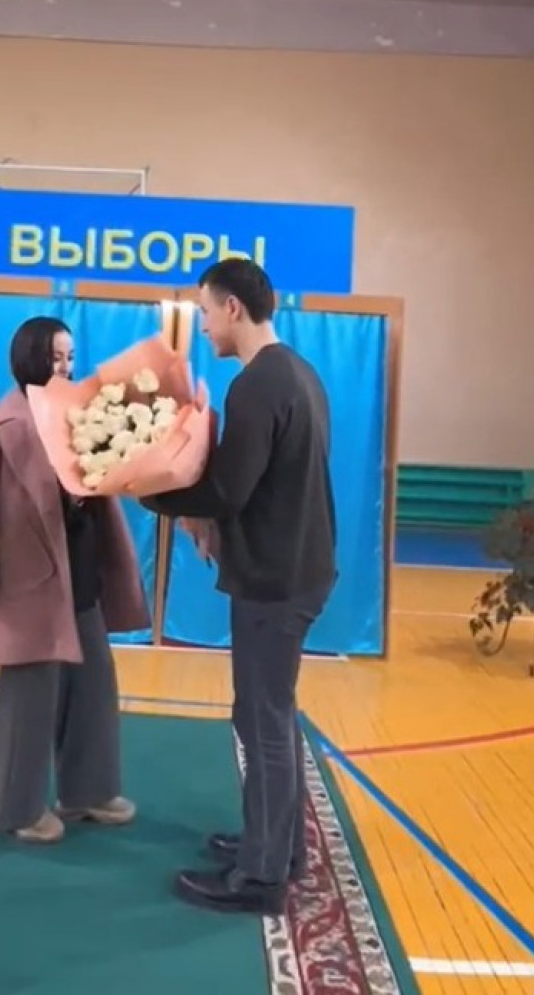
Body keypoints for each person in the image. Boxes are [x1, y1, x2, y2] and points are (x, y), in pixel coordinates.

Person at [142, 258, 337, 915]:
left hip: (275, 580)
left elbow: (229, 490)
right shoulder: (299, 373)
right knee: (267, 714)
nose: (201, 326)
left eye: (204, 311)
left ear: (231, 308)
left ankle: (261, 877)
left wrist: (147, 489)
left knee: (263, 720)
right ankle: (278, 845)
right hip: (300, 568)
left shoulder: (256, 385)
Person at [0, 316, 150, 844]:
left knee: (93, 679)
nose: (65, 366)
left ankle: (88, 791)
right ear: (29, 358)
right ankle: (18, 809)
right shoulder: (7, 425)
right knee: (30, 692)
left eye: (69, 356)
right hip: (28, 580)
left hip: (78, 572)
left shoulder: (72, 413)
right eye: (55, 357)